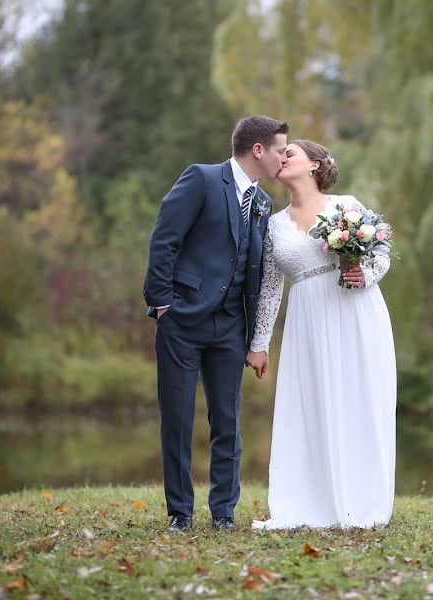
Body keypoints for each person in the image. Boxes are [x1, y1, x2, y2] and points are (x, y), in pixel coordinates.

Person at [143, 115, 288, 533]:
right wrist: (161, 303)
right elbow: (164, 239)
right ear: (258, 149)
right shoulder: (202, 180)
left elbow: (258, 269)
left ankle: (223, 512)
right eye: (280, 149)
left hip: (230, 325)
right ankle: (180, 513)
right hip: (182, 319)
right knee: (178, 418)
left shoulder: (262, 203)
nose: (284, 156)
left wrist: (255, 334)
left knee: (227, 419)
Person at [246, 139, 396, 529]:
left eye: (290, 154)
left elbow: (380, 253)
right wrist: (260, 344)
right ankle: (312, 502)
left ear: (314, 165)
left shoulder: (346, 206)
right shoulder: (273, 225)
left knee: (359, 399)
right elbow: (269, 288)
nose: (282, 159)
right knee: (312, 403)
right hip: (307, 322)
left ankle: (362, 501)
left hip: (356, 311)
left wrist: (366, 274)